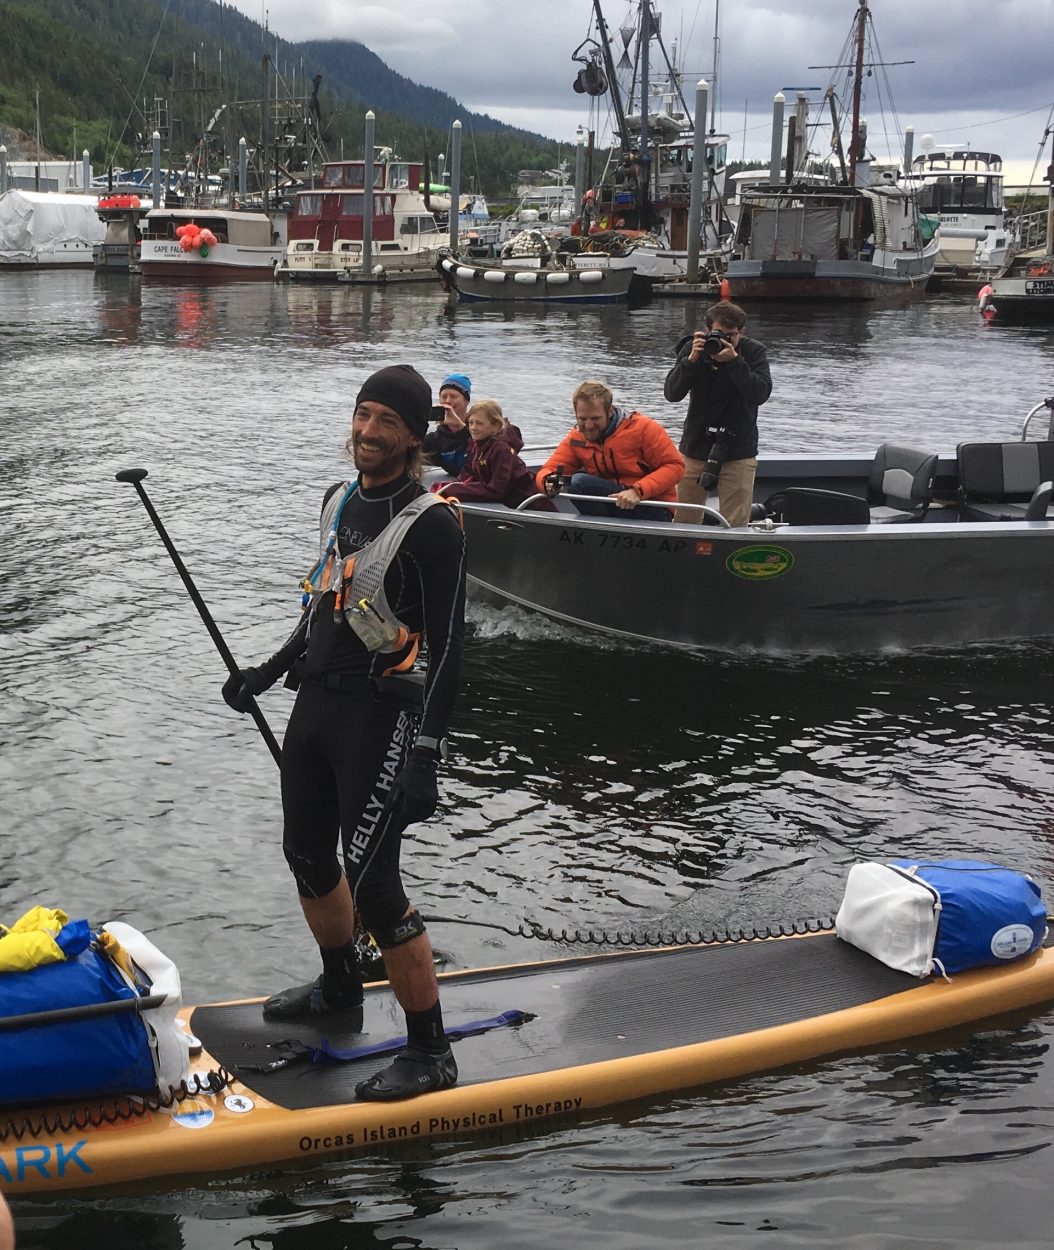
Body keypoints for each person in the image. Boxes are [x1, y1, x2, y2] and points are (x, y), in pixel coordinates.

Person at [222, 364, 466, 1102]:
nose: (367, 432)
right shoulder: (338, 501)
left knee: (378, 886)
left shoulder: (432, 524)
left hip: (381, 716)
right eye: (363, 415)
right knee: (304, 852)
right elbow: (325, 607)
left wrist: (425, 753)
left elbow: (451, 647)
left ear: (413, 436)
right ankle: (340, 989)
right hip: (316, 707)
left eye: (386, 422)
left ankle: (430, 1049)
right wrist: (264, 673)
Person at [663, 299, 772, 527]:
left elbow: (760, 394)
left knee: (736, 523)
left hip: (738, 450)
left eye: (730, 336)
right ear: (707, 330)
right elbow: (672, 393)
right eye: (718, 334)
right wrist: (691, 361)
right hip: (695, 447)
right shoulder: (695, 349)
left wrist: (735, 362)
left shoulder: (753, 353)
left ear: (741, 333)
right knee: (683, 519)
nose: (722, 341)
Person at [535, 380, 684, 520]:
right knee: (576, 482)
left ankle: (600, 531)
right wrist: (548, 481)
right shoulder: (576, 437)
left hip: (651, 504)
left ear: (610, 411)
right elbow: (549, 469)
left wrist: (637, 491)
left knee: (579, 482)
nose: (588, 425)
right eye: (582, 419)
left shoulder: (644, 429)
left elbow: (675, 467)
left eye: (595, 418)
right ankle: (599, 530)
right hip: (611, 502)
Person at [433, 399, 554, 510]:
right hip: (510, 502)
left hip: (529, 504)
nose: (473, 428)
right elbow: (467, 473)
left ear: (495, 426)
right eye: (471, 423)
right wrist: (447, 488)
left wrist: (454, 490)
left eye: (479, 423)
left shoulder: (502, 450)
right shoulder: (476, 445)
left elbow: (497, 490)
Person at [421, 373, 472, 475]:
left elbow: (488, 448)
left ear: (466, 400)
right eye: (444, 396)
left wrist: (461, 428)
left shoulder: (480, 427)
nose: (448, 401)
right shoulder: (436, 439)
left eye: (453, 396)